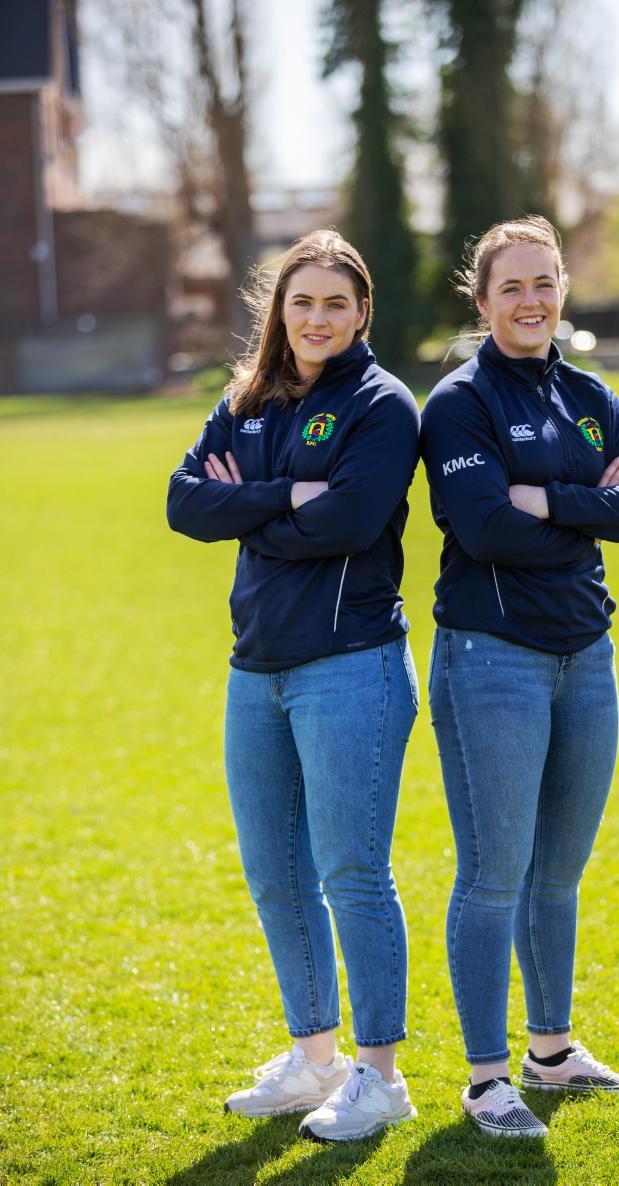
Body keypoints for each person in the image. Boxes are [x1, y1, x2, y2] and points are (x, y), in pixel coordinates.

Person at [166, 230, 421, 1143]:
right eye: (301, 301)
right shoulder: (248, 397)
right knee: (275, 874)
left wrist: (246, 504)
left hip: (351, 666)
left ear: (362, 313)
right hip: (256, 671)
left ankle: (380, 1078)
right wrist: (286, 495)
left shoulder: (382, 404)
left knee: (353, 874)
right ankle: (316, 1060)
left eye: (335, 303)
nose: (317, 318)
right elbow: (184, 502)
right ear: (279, 310)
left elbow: (347, 521)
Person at [420, 216, 619, 1138]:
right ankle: (488, 1079)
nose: (531, 302)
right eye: (512, 287)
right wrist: (595, 506)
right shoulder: (459, 403)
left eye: (545, 283)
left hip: (587, 656)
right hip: (492, 659)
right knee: (494, 875)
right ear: (481, 299)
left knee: (558, 873)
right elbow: (485, 528)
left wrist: (551, 501)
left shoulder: (590, 392)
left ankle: (552, 1053)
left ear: (563, 290)